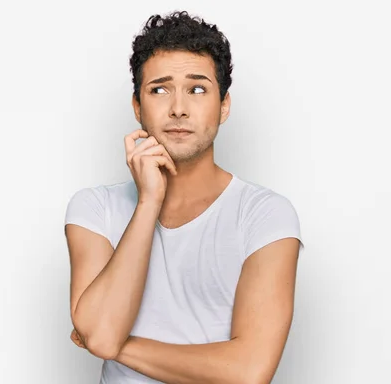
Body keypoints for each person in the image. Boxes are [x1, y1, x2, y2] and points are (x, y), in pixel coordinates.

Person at [64, 10, 304, 384]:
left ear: (223, 105)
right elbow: (101, 330)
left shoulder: (265, 214)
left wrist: (111, 343)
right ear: (137, 106)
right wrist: (148, 203)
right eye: (159, 89)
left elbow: (248, 371)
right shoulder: (94, 209)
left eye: (197, 89)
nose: (178, 108)